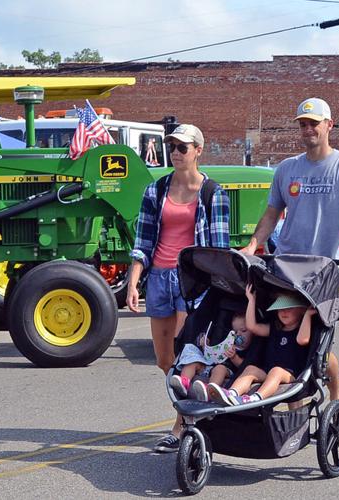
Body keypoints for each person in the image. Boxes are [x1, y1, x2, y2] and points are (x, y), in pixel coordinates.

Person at [240, 97, 339, 402]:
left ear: (329, 125)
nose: (308, 129)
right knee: (285, 338)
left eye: (313, 123)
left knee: (318, 344)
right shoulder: (287, 169)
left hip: (327, 273)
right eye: (303, 124)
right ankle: (293, 412)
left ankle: (336, 394)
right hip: (287, 270)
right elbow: (272, 213)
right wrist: (253, 244)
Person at [127, 123, 230, 453]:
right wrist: (133, 280)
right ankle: (191, 415)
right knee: (164, 359)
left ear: (198, 151)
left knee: (187, 356)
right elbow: (143, 240)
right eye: (171, 146)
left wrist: (216, 291)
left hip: (192, 282)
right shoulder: (155, 191)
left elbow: (219, 250)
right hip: (159, 278)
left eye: (182, 147)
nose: (175, 152)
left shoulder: (214, 194)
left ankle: (181, 425)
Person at [208, 286, 316, 405]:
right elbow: (252, 327)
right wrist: (251, 300)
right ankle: (232, 394)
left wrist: (307, 315)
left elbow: (302, 340)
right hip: (268, 372)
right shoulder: (274, 328)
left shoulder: (302, 330)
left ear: (301, 309)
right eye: (280, 309)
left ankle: (256, 398)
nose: (284, 312)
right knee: (251, 369)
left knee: (276, 371)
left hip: (290, 374)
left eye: (289, 308)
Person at [169, 312, 253, 401]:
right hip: (210, 365)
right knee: (193, 362)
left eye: (243, 330)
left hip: (229, 370)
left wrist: (234, 357)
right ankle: (184, 382)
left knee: (220, 368)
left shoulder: (249, 349)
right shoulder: (229, 342)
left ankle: (209, 391)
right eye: (235, 332)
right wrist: (206, 345)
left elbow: (245, 367)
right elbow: (215, 351)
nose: (238, 334)